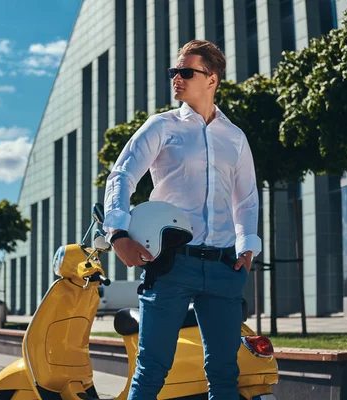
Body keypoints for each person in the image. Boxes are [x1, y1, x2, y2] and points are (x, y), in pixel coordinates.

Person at [102, 39, 261, 400]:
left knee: (224, 373)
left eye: (186, 72)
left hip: (224, 269)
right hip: (171, 264)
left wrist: (247, 247)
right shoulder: (162, 126)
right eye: (174, 71)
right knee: (152, 368)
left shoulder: (234, 138)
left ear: (212, 79)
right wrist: (117, 232)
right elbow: (122, 176)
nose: (176, 78)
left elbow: (246, 199)